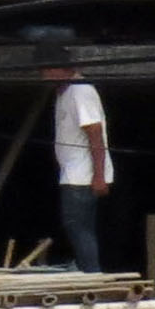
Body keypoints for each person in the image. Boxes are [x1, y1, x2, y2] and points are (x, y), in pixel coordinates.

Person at [45, 51, 112, 271]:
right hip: (73, 172)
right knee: (77, 226)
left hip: (82, 175)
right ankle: (86, 269)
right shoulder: (64, 92)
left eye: (47, 70)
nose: (43, 76)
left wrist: (99, 176)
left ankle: (91, 273)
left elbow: (95, 133)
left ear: (61, 69)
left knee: (78, 226)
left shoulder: (80, 91)